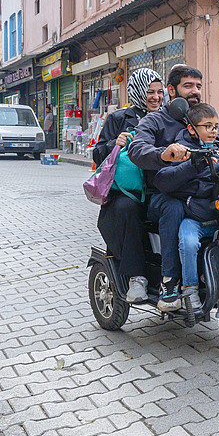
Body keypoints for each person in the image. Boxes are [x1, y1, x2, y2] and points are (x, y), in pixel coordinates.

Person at [128, 64, 212, 311]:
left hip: (197, 194)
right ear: (171, 90)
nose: (195, 91)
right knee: (173, 207)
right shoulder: (154, 120)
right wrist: (163, 154)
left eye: (198, 86)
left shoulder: (199, 118)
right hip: (162, 196)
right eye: (188, 86)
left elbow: (215, 141)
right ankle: (169, 282)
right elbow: (137, 149)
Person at [151, 103, 219, 312]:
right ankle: (185, 287)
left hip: (215, 213)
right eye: (208, 126)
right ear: (191, 128)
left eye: (216, 126)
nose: (214, 131)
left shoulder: (214, 148)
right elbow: (163, 180)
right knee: (187, 241)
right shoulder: (182, 150)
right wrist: (192, 163)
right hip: (192, 214)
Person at [93, 68, 165, 303]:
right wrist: (116, 142)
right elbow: (98, 154)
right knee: (127, 209)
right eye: (149, 92)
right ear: (137, 92)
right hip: (127, 192)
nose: (155, 97)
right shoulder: (119, 118)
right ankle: (137, 277)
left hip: (160, 189)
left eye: (159, 92)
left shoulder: (168, 117)